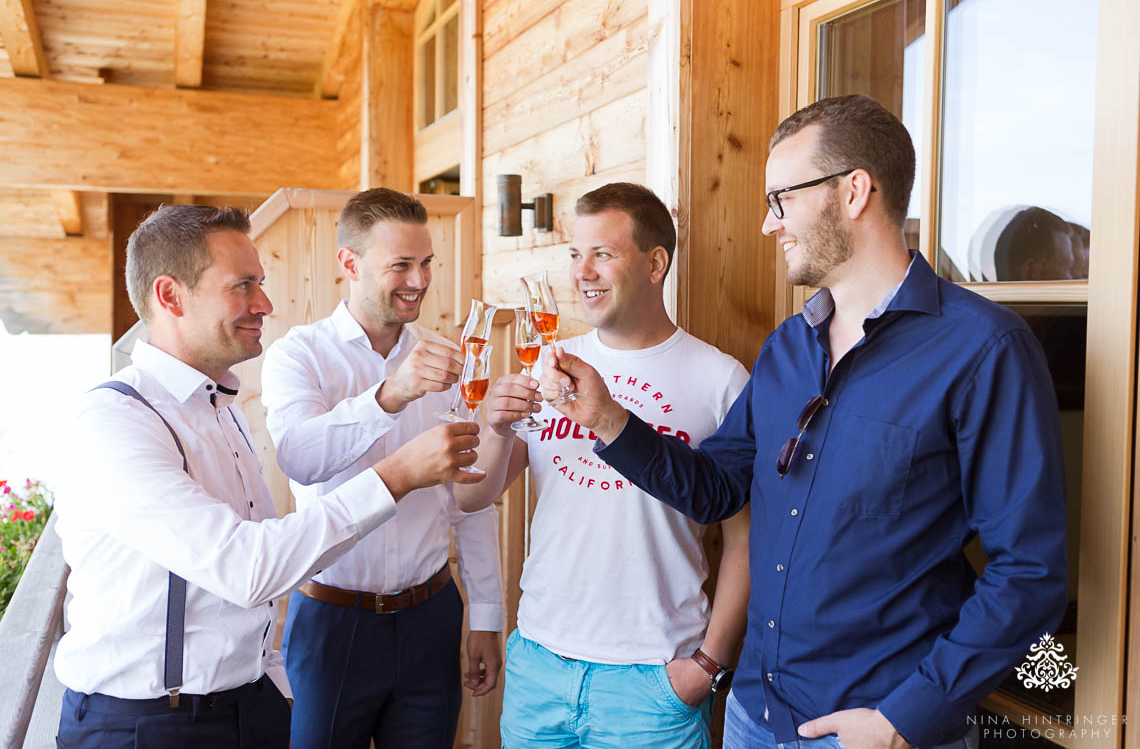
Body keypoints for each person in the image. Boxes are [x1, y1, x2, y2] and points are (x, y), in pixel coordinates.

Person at [540, 96, 1068, 749]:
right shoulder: (788, 346)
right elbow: (717, 489)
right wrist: (609, 419)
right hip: (753, 715)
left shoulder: (983, 348)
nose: (768, 224)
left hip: (875, 730)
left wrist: (909, 719)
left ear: (853, 192)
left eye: (781, 200)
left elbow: (1030, 572)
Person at [54, 205, 483, 749]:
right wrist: (396, 475)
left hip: (247, 707)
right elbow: (247, 567)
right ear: (170, 296)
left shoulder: (220, 407)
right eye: (244, 285)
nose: (266, 304)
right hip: (148, 725)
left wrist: (273, 684)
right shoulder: (115, 421)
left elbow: (247, 593)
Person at [454, 182, 752, 749]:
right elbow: (472, 497)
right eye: (574, 254)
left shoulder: (720, 380)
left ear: (656, 263)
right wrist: (493, 428)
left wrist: (708, 665)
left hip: (655, 679)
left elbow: (746, 539)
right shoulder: (551, 364)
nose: (582, 272)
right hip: (540, 663)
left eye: (603, 254)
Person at [260, 188, 504, 749]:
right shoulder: (300, 355)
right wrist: (389, 395)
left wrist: (486, 613)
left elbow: (468, 498)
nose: (418, 280)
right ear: (350, 263)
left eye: (426, 263)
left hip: (431, 616)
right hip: (331, 620)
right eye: (400, 265)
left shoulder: (450, 359)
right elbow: (299, 456)